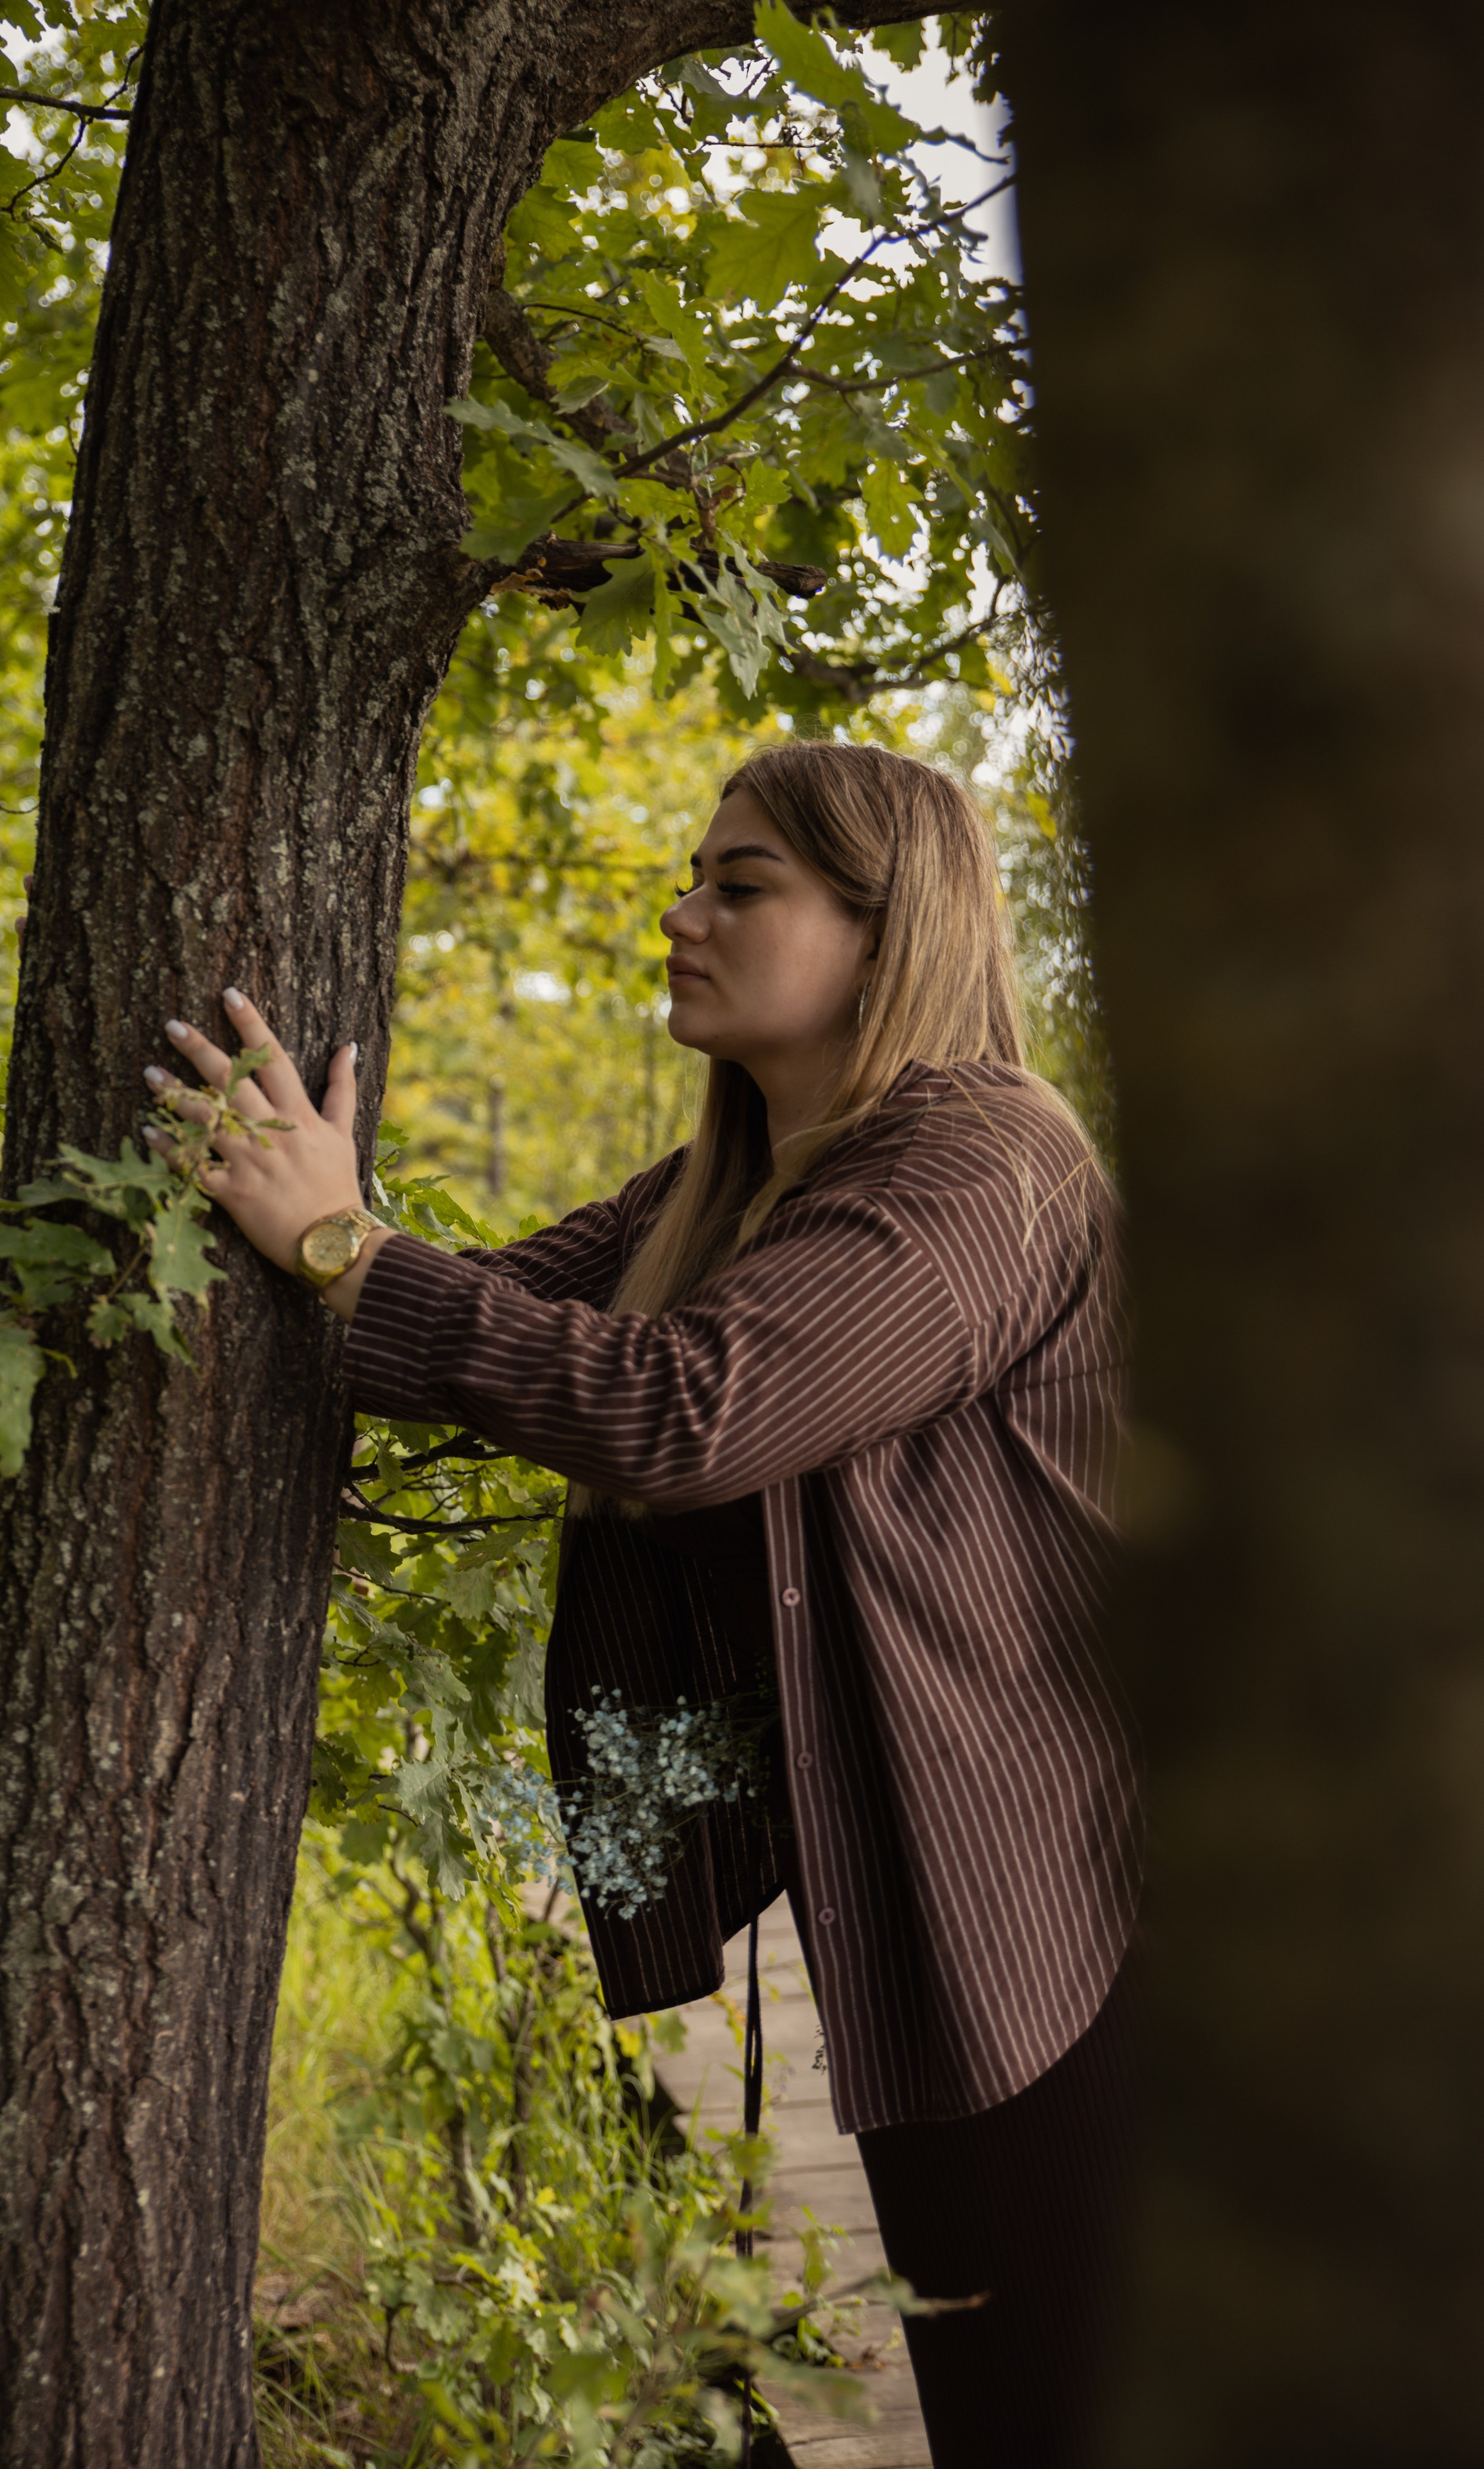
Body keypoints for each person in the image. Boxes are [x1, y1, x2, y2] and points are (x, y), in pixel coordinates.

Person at [141, 741, 1141, 2468]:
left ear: (888, 925)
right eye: (694, 875)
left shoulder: (987, 1168)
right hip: (930, 1919)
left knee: (1076, 2408)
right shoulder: (739, 1184)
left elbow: (686, 1413)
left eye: (739, 883)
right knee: (1014, 2404)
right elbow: (471, 1340)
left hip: (1080, 1917)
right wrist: (322, 1221)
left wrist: (342, 1252)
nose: (679, 916)